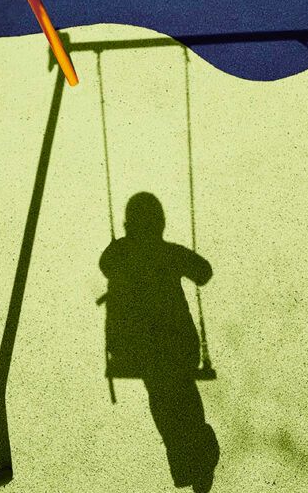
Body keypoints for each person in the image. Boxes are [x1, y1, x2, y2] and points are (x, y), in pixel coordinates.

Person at [99, 192, 219, 492]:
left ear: (128, 224)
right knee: (184, 407)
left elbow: (105, 264)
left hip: (138, 352)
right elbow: (204, 272)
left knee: (166, 408)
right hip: (176, 350)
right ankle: (196, 466)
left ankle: (189, 467)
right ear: (161, 223)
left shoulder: (119, 254)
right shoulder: (168, 253)